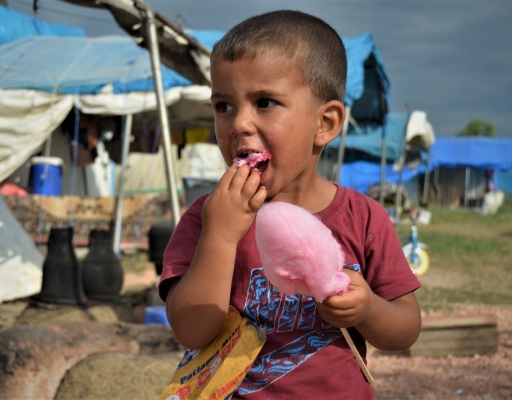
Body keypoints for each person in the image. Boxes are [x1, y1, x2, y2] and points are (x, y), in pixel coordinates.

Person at [158, 10, 422, 399]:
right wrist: (220, 237)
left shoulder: (363, 218)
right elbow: (190, 330)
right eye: (223, 106)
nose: (239, 124)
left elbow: (406, 329)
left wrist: (367, 310)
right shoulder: (208, 216)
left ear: (326, 124)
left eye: (264, 102)